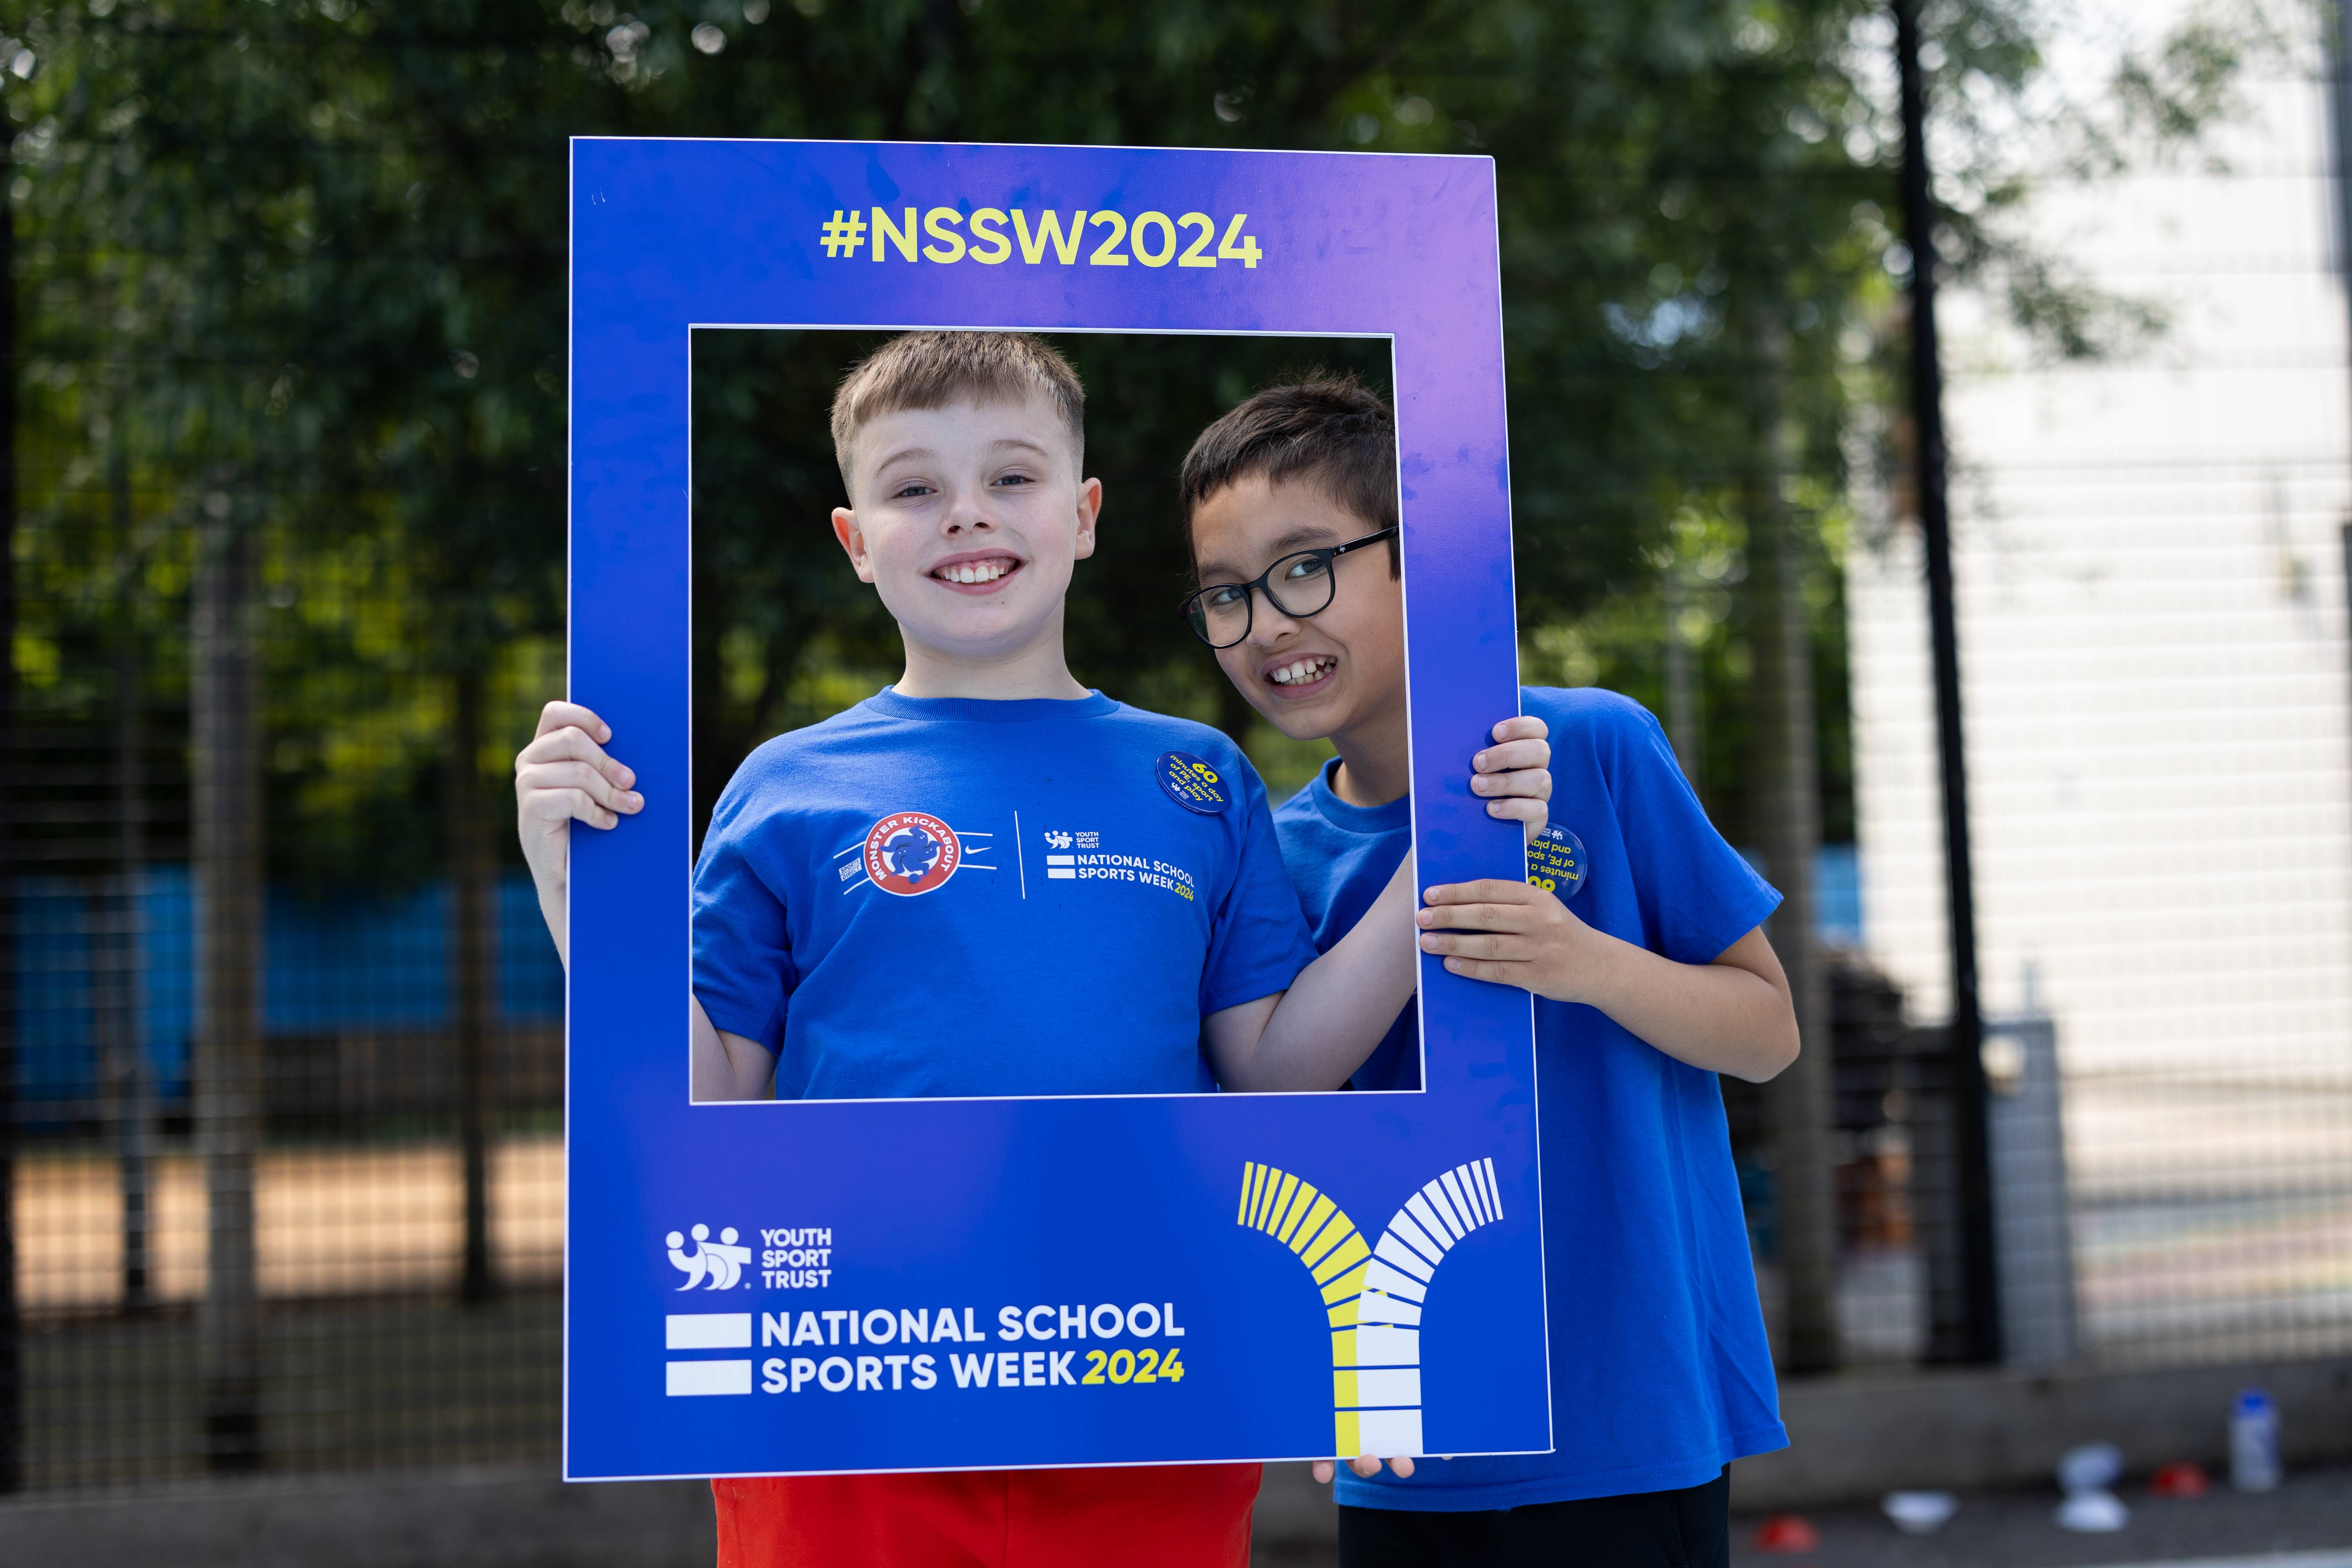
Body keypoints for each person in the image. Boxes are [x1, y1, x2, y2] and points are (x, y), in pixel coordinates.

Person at [513, 332, 1550, 1568]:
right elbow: (716, 1095)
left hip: (1152, 1373)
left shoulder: (1201, 779)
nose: (966, 515)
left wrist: (1451, 836)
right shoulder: (784, 788)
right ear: (855, 542)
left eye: (1011, 477)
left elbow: (1274, 1075)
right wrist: (580, 897)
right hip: (848, 1391)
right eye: (912, 488)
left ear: (1085, 513)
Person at [1175, 377, 1802, 1568]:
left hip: (1632, 1419)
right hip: (1414, 1447)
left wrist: (1586, 962)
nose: (1266, 623)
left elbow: (1768, 1033)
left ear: (1419, 563)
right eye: (1225, 596)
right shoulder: (1271, 852)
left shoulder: (1594, 746)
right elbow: (1274, 1138)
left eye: (1306, 567)